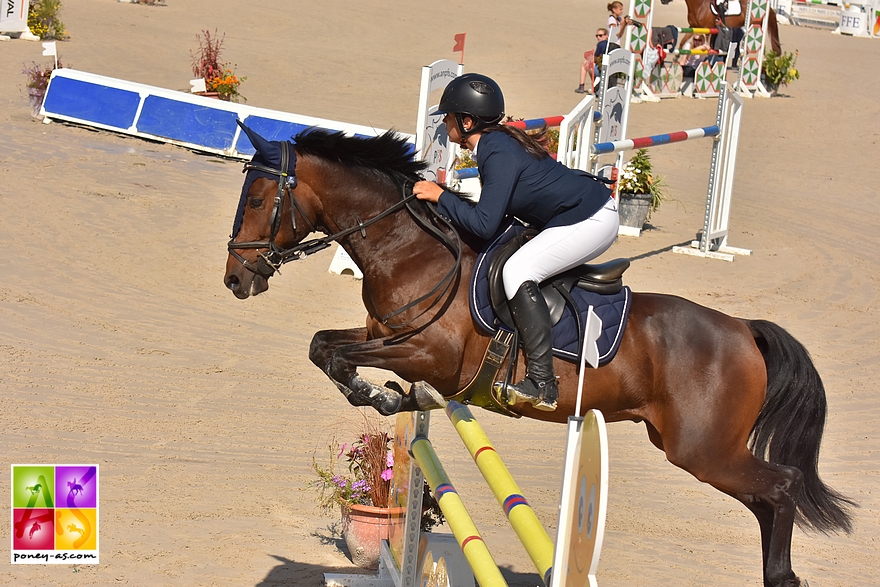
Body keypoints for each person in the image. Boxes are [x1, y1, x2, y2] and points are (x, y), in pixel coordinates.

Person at [413, 74, 619, 411]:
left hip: (591, 219)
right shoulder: (496, 143)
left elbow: (483, 223)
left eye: (448, 117)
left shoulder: (496, 149)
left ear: (467, 121)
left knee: (518, 270)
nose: (445, 123)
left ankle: (542, 382)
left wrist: (441, 196)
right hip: (580, 213)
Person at [575, 28, 608, 94]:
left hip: (602, 70)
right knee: (592, 65)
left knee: (585, 64)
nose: (598, 37)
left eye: (600, 35)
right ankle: (594, 85)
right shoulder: (613, 45)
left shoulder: (601, 44)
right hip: (609, 70)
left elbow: (595, 59)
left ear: (606, 35)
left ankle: (581, 86)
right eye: (597, 36)